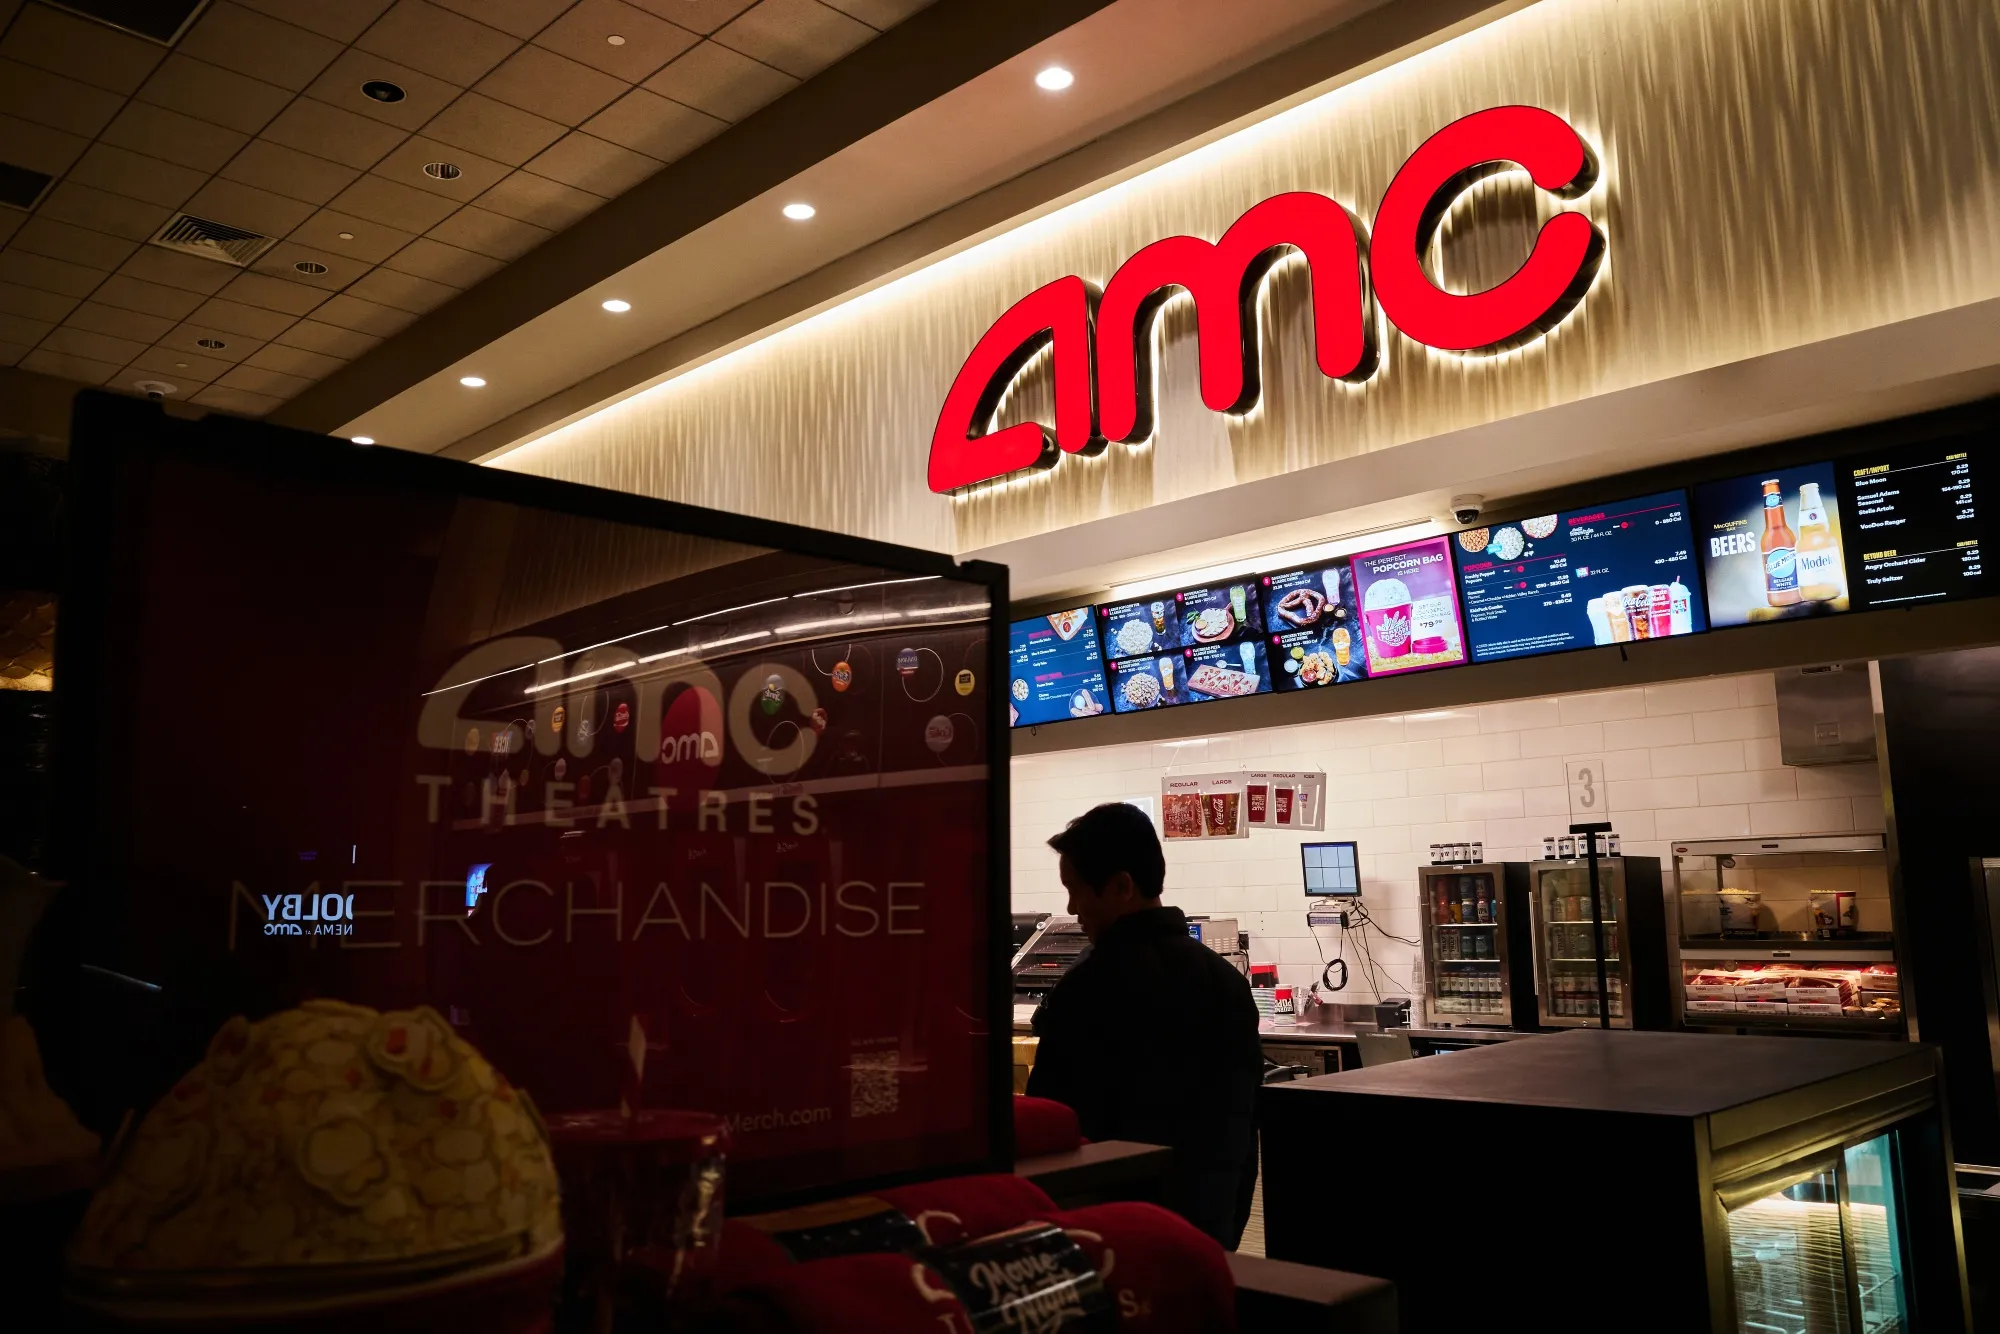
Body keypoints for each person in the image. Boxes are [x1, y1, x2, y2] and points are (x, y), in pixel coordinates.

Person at [1025, 802, 1263, 1248]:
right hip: (1208, 1229)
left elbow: (1054, 1123)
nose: (1072, 908)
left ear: (1122, 887)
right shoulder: (1226, 981)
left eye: (1076, 891)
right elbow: (1243, 1126)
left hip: (1114, 1235)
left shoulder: (1090, 986)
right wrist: (1225, 1230)